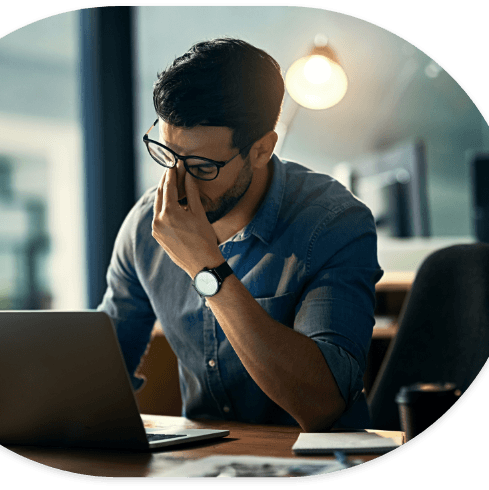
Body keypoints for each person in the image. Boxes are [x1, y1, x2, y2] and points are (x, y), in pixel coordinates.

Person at [97, 38, 383, 431]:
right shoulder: (147, 224)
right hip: (201, 463)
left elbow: (323, 404)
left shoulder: (334, 223)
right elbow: (102, 369)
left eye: (201, 166)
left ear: (262, 149)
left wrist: (205, 267)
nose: (178, 184)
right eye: (168, 156)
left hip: (317, 464)